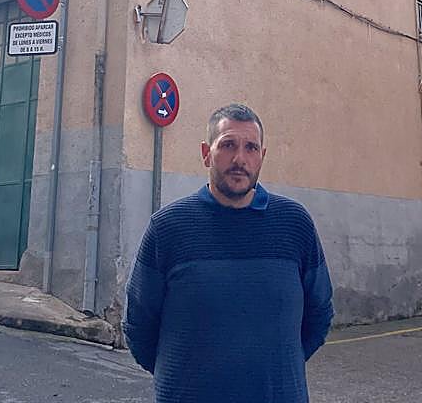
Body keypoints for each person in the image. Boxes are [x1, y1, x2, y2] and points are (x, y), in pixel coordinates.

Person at [125, 103, 333, 403]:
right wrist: (182, 376)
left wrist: (277, 368)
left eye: (251, 148)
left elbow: (320, 312)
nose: (240, 159)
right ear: (206, 153)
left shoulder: (294, 223)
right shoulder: (168, 227)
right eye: (228, 145)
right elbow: (139, 323)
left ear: (262, 156)